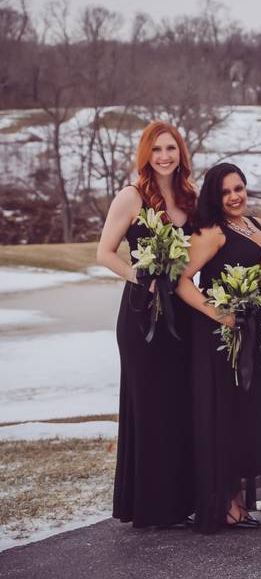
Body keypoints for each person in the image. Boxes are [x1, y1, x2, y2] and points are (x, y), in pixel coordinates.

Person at [96, 121, 196, 528]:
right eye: (157, 150)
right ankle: (149, 506)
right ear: (146, 155)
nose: (164, 156)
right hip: (141, 314)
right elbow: (104, 252)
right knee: (149, 406)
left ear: (181, 153)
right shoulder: (132, 196)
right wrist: (142, 276)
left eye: (171, 148)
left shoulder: (190, 198)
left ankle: (179, 501)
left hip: (183, 313)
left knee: (178, 404)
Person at [176, 163, 261, 532]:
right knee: (224, 415)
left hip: (255, 333)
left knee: (246, 414)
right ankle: (225, 504)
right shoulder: (212, 232)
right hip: (220, 338)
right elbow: (181, 280)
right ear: (215, 197)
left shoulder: (258, 225)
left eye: (239, 188)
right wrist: (217, 314)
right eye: (226, 192)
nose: (235, 197)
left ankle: (240, 498)